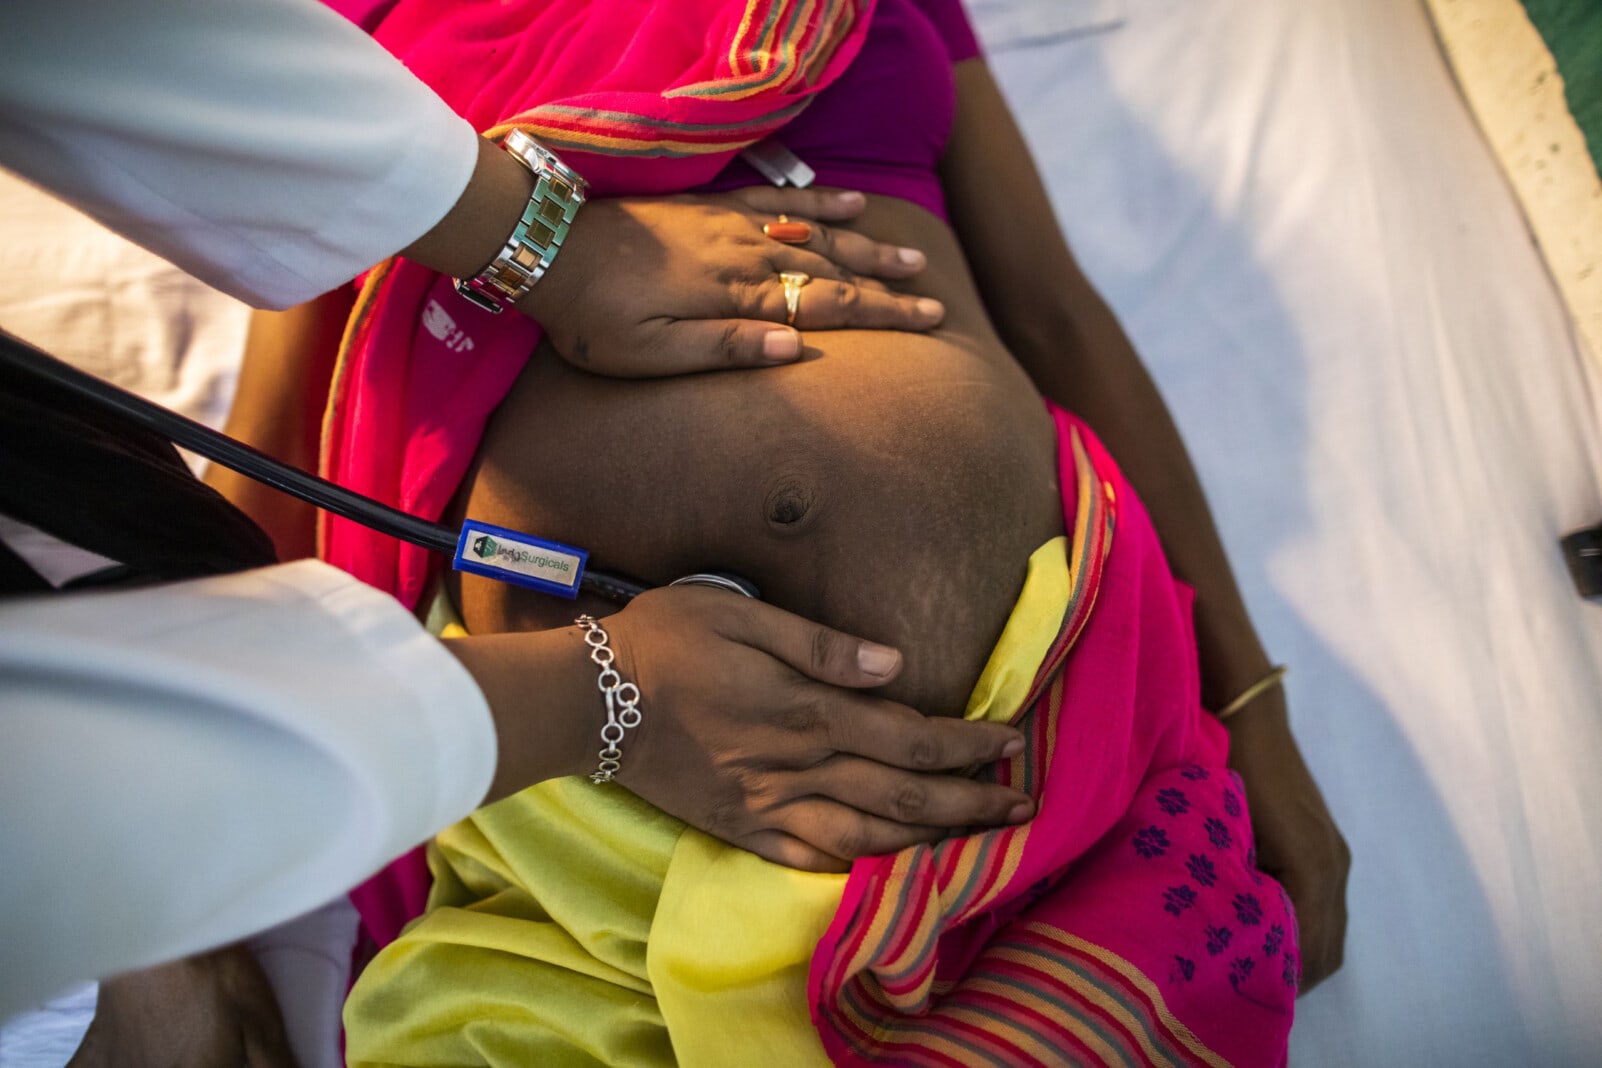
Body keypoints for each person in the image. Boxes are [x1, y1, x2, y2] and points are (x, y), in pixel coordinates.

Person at [207, 0, 1348, 1062]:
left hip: (1009, 752)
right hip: (572, 814)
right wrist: (186, 888)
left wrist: (1255, 709)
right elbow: (276, 446)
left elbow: (1054, 312)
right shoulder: (343, 32)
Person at [0, 0, 1043, 1024]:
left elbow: (1051, 306)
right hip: (533, 793)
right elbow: (294, 415)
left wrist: (1219, 686)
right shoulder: (350, 21)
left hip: (973, 744)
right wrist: (607, 693)